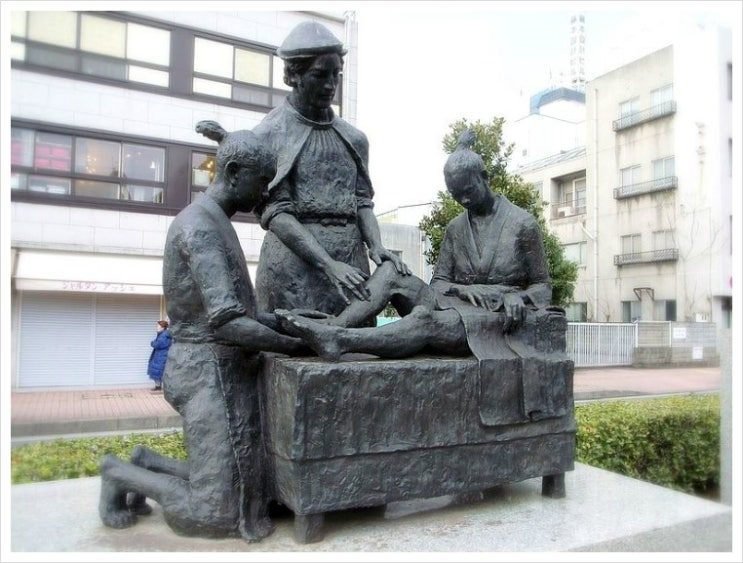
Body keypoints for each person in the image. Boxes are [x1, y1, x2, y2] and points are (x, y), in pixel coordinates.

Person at [98, 122, 311, 542]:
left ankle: (147, 462)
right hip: (203, 369)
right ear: (233, 173)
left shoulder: (217, 221)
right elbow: (227, 321)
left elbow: (242, 312)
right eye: (261, 182)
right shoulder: (199, 226)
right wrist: (293, 344)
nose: (264, 193)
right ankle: (117, 473)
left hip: (225, 367)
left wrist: (287, 320)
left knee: (247, 486)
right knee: (214, 513)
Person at [275, 131, 569, 423]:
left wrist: (518, 296)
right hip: (454, 301)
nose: (464, 199)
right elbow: (438, 283)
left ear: (485, 177)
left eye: (469, 190)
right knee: (391, 271)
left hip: (491, 317)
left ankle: (340, 339)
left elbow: (543, 288)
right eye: (456, 195)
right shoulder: (456, 228)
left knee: (424, 319)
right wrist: (463, 290)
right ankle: (333, 328)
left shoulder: (522, 224)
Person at [253, 21, 410, 322]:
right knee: (296, 343)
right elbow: (276, 213)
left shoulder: (354, 138)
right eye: (319, 75)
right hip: (293, 265)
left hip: (351, 259)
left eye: (335, 74)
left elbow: (362, 201)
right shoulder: (269, 134)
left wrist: (376, 246)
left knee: (356, 341)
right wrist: (328, 264)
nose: (330, 85)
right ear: (294, 76)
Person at [147, 320, 171, 391]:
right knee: (158, 371)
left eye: (158, 326)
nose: (156, 327)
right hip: (160, 355)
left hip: (162, 356)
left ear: (162, 327)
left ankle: (159, 387)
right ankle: (158, 386)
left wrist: (152, 343)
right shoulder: (162, 334)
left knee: (158, 371)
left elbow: (158, 344)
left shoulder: (164, 335)